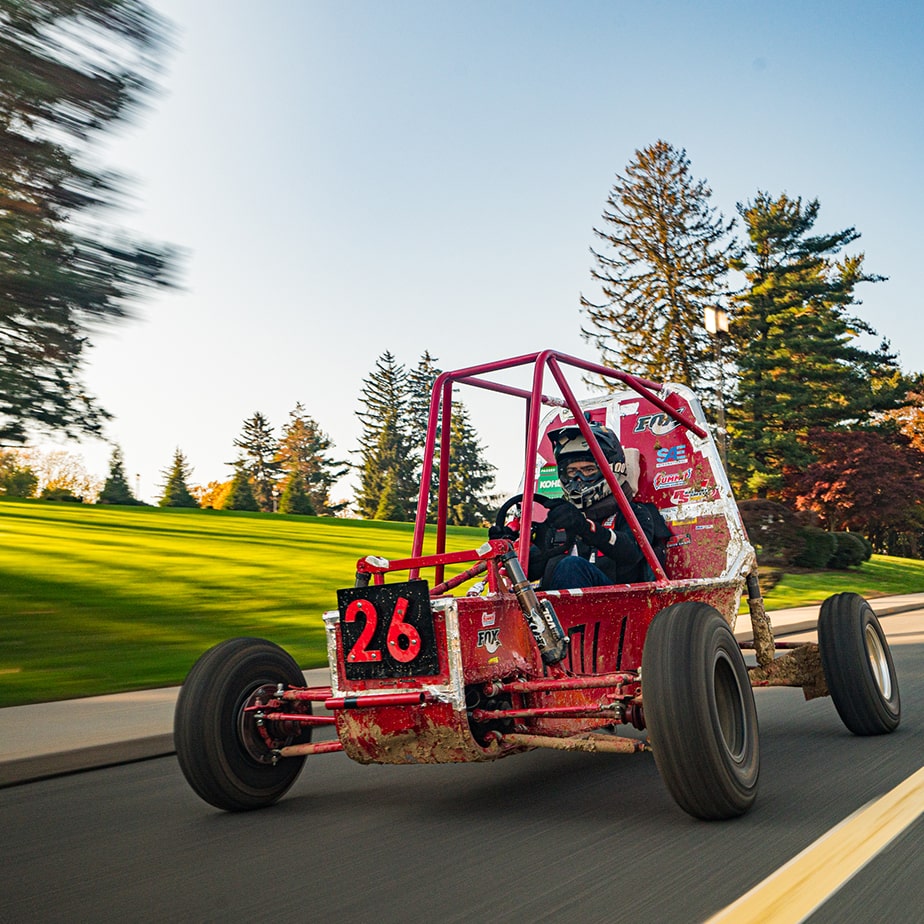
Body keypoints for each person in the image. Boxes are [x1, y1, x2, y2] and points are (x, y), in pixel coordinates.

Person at [528, 418, 670, 590]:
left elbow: (631, 552)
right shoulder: (562, 521)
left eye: (589, 470)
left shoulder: (637, 513)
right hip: (559, 609)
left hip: (619, 608)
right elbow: (532, 571)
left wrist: (587, 528)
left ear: (612, 469)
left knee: (571, 567)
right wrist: (509, 551)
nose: (578, 479)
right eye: (572, 471)